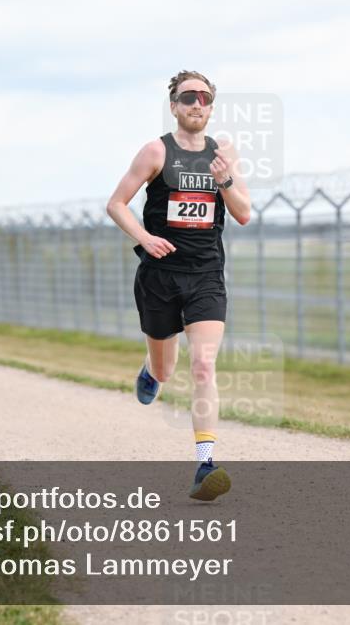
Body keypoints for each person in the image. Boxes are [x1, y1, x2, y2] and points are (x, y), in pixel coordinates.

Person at [106, 70, 250, 501]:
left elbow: (243, 213)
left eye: (205, 98)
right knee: (167, 368)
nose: (197, 104)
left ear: (211, 106)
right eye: (188, 97)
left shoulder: (223, 153)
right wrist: (145, 238)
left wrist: (224, 180)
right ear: (174, 105)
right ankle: (151, 371)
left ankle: (205, 465)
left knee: (204, 366)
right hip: (160, 275)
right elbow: (116, 204)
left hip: (206, 273)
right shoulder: (155, 151)